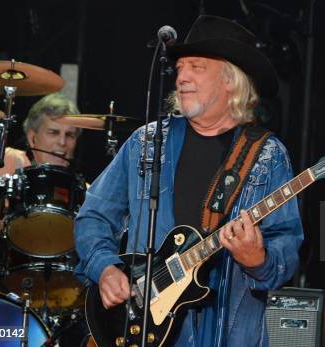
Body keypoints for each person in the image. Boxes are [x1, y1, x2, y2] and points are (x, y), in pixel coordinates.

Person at [73, 15, 303, 347]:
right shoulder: (145, 143)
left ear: (230, 79)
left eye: (196, 67)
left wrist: (259, 260)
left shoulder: (266, 155)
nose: (182, 77)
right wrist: (105, 268)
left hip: (227, 333)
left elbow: (286, 245)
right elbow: (93, 215)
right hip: (140, 328)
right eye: (180, 68)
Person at [0, 92, 81, 285]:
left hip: (58, 291)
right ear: (32, 138)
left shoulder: (81, 188)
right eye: (53, 132)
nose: (62, 142)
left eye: (70, 135)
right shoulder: (9, 161)